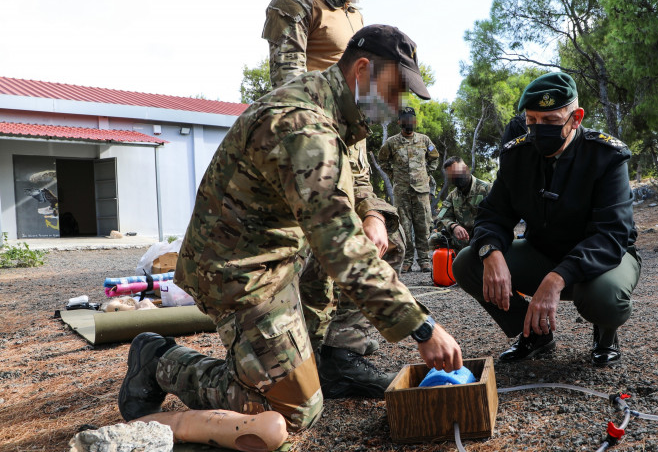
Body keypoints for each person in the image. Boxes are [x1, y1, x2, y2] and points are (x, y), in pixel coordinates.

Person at [117, 26, 463, 433]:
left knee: (385, 242)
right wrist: (421, 327)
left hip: (287, 252)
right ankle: (162, 360)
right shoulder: (305, 125)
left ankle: (328, 357)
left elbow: (351, 195)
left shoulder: (338, 114)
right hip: (241, 272)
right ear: (364, 70)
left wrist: (374, 215)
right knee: (293, 411)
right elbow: (339, 245)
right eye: (394, 90)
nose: (397, 105)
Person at [261, 0, 402, 400]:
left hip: (352, 153)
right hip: (312, 148)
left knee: (383, 238)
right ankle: (297, 357)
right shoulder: (295, 4)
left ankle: (340, 353)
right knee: (316, 260)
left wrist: (368, 200)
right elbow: (289, 90)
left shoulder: (354, 16)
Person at [452, 72, 640, 367]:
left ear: (576, 118)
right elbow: (493, 214)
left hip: (605, 259)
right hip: (544, 253)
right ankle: (535, 333)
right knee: (467, 262)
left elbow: (612, 235)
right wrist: (491, 251)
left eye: (551, 121)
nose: (539, 130)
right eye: (532, 121)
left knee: (604, 296)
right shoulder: (518, 156)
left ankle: (606, 335)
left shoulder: (606, 156)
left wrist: (556, 278)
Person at [378, 107, 440, 272]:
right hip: (402, 191)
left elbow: (435, 157)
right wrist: (393, 174)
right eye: (405, 119)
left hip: (421, 191)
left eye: (411, 119)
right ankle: (406, 261)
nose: (408, 122)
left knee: (423, 226)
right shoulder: (391, 142)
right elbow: (382, 160)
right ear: (399, 122)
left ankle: (425, 260)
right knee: (404, 227)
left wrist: (427, 172)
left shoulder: (424, 140)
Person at [428, 157, 491, 254]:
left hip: (485, 235)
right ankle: (450, 265)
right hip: (463, 237)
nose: (456, 177)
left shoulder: (487, 189)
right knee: (435, 238)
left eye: (457, 173)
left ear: (465, 168)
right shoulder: (452, 196)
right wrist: (453, 226)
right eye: (452, 175)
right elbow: (441, 218)